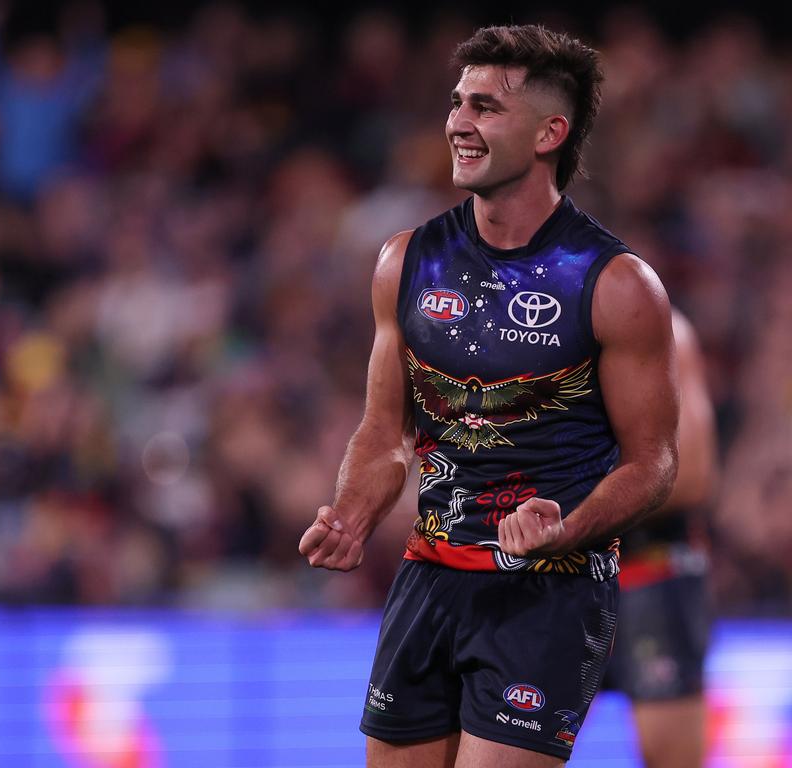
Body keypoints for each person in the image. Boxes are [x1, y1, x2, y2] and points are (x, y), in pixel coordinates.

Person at [298, 24, 679, 768]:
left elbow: (654, 463)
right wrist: (351, 511)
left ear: (549, 133)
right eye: (457, 102)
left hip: (550, 595)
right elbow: (383, 435)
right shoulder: (404, 261)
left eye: (485, 107)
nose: (458, 123)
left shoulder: (616, 285)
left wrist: (568, 525)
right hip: (428, 579)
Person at [599, 310, 716, 768]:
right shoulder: (530, 335)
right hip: (560, 571)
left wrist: (573, 502)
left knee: (671, 757)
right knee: (516, 739)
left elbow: (692, 477)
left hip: (650, 568)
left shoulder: (664, 329)